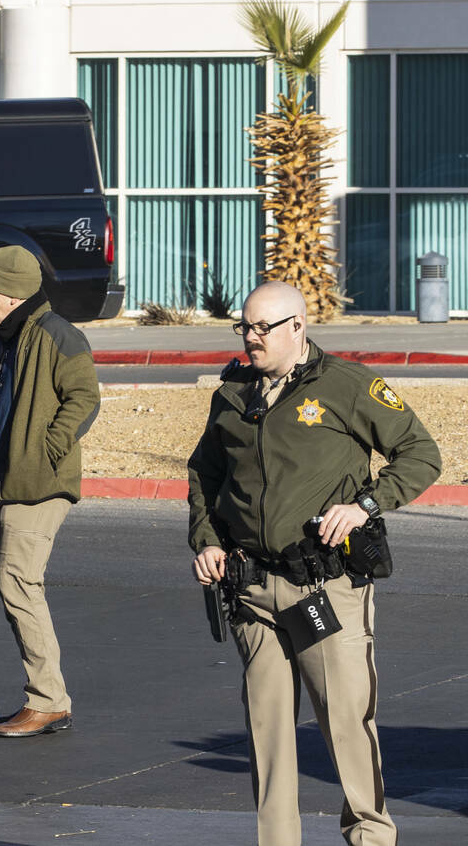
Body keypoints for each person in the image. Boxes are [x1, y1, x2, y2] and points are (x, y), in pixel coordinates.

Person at [188, 281, 441, 846]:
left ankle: (371, 837)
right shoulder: (232, 392)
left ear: (297, 327)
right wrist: (206, 540)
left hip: (320, 590)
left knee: (346, 725)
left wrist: (364, 506)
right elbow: (204, 473)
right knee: (267, 735)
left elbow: (422, 454)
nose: (251, 339)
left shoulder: (346, 386)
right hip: (252, 591)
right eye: (244, 328)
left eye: (262, 329)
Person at [0, 245, 100, 738]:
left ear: (12, 291)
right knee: (17, 587)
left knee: (19, 585)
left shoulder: (58, 335)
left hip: (37, 483)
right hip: (7, 480)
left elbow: (85, 398)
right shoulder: (3, 334)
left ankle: (48, 701)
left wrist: (47, 447)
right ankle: (45, 698)